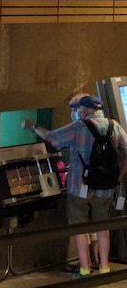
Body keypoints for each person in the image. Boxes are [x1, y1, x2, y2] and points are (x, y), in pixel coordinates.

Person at [22, 94, 127, 277]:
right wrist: (119, 174)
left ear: (84, 110)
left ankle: (85, 269)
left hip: (79, 185)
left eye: (76, 109)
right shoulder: (113, 125)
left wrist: (32, 126)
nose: (75, 112)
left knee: (79, 227)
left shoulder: (79, 127)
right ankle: (104, 268)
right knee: (103, 227)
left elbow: (50, 137)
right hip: (106, 186)